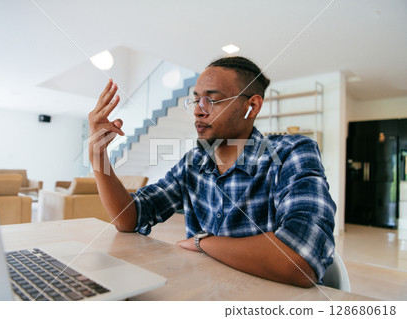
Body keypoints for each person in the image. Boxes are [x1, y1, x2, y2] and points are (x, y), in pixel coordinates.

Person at [88, 56, 336, 288]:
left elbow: (301, 258)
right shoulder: (193, 163)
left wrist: (202, 243)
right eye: (196, 99)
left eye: (212, 100)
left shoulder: (292, 153)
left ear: (251, 106)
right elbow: (130, 218)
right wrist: (99, 155)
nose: (198, 109)